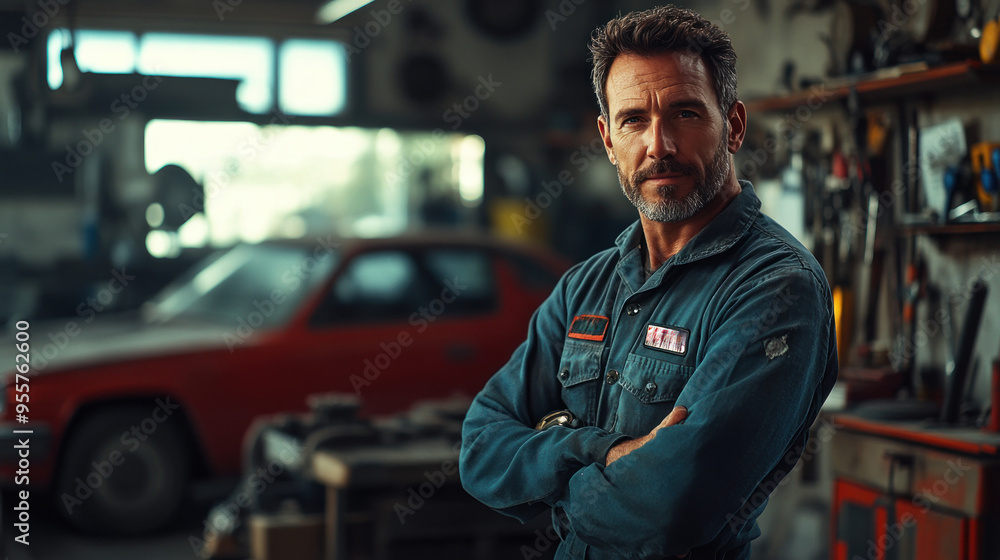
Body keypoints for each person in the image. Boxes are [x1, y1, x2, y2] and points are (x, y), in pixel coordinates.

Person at [459, 5, 838, 559]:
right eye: (634, 119)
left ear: (732, 125)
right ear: (608, 139)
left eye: (684, 113)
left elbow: (671, 507)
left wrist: (550, 476)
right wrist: (605, 453)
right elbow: (480, 445)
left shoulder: (776, 288)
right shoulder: (585, 287)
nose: (658, 145)